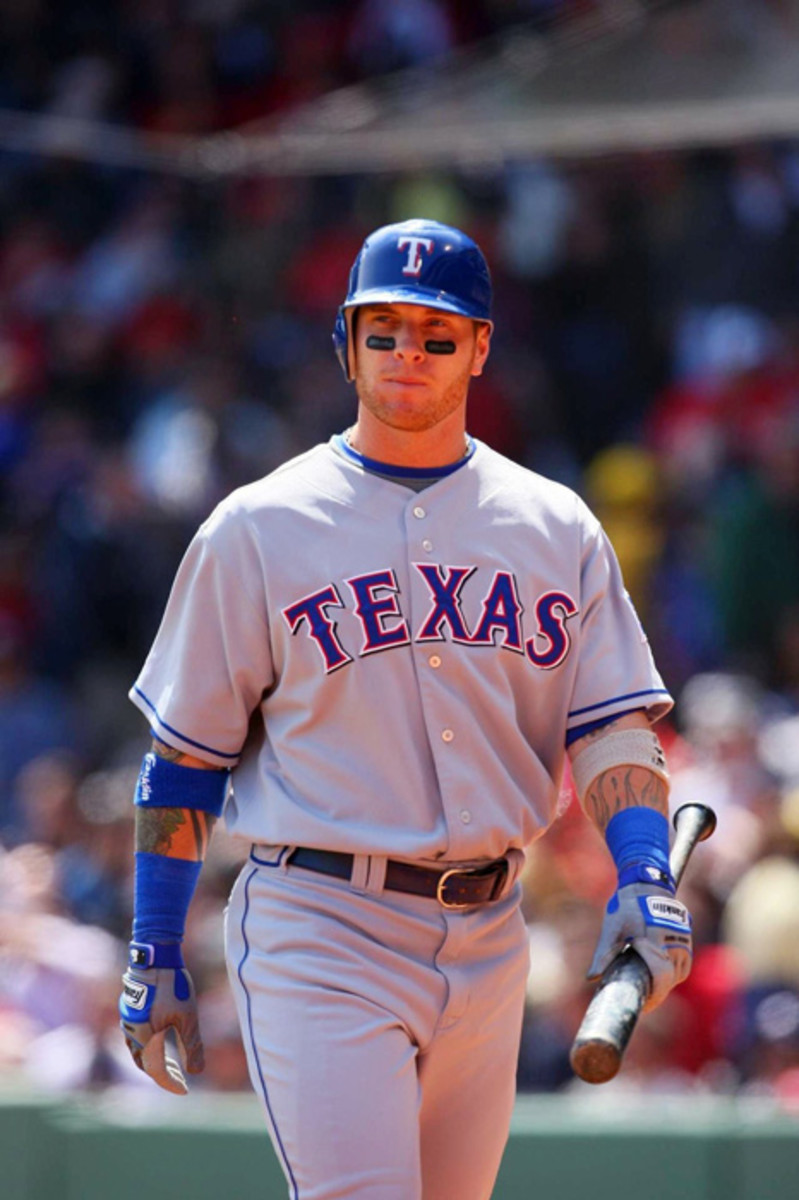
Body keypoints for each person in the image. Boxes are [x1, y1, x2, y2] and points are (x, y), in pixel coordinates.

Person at [119, 219, 692, 1199]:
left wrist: (641, 868)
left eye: (435, 335)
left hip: (490, 929)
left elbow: (609, 726)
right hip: (321, 921)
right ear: (345, 342)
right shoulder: (257, 528)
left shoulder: (554, 525)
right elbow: (183, 759)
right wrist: (153, 942)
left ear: (478, 348)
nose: (406, 356)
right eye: (381, 331)